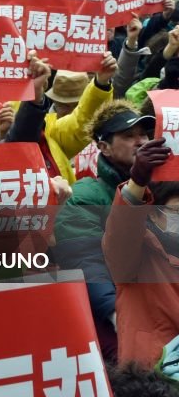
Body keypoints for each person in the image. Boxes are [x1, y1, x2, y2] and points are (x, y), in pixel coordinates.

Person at [55, 100, 156, 361]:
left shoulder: (167, 187)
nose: (140, 141)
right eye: (128, 136)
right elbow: (86, 260)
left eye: (144, 134)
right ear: (104, 147)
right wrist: (116, 314)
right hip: (118, 320)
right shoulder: (84, 195)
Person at [103, 136, 179, 366]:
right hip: (152, 382)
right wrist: (137, 182)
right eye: (176, 211)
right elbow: (120, 233)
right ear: (155, 213)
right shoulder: (135, 253)